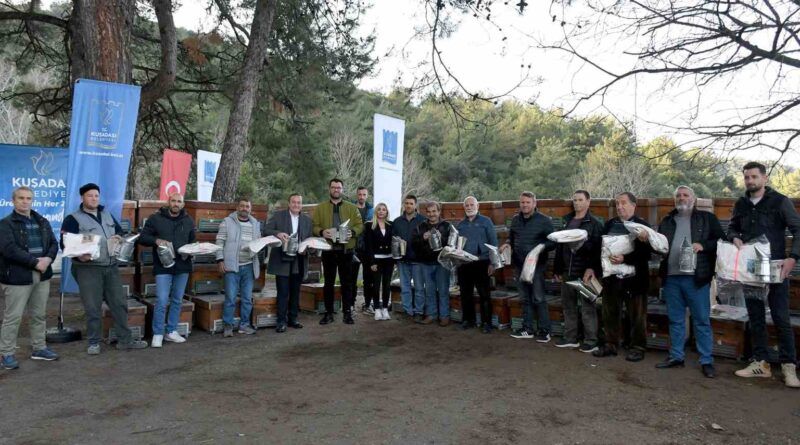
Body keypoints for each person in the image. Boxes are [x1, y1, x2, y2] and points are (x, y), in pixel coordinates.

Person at [729, 162, 800, 388]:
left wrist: (793, 258)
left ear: (764, 178)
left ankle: (789, 367)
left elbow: (798, 230)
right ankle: (761, 363)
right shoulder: (741, 203)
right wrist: (734, 237)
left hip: (776, 268)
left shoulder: (780, 201)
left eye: (754, 177)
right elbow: (732, 227)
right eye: (747, 177)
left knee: (780, 317)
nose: (750, 181)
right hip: (750, 268)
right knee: (756, 316)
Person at [61, 183, 148, 354]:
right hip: (88, 269)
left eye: (96, 195)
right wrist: (78, 256)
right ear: (82, 198)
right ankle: (94, 342)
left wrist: (119, 238)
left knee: (119, 304)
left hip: (111, 267)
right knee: (93, 307)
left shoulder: (107, 214)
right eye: (89, 195)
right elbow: (64, 243)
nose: (93, 198)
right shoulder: (73, 219)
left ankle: (125, 340)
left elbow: (120, 233)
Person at [655, 186, 723, 378]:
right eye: (678, 196)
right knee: (675, 319)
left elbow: (721, 241)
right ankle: (676, 356)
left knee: (701, 320)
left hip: (697, 278)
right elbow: (660, 247)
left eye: (685, 195)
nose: (682, 198)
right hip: (671, 278)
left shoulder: (707, 219)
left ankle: (706, 360)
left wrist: (703, 245)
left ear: (693, 199)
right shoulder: (667, 220)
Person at [0, 186, 60, 369]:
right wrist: (35, 262)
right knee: (13, 317)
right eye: (21, 198)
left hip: (41, 276)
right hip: (17, 277)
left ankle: (39, 348)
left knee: (39, 315)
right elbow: (9, 250)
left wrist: (48, 259)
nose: (25, 201)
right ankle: (6, 353)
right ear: (13, 201)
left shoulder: (42, 221)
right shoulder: (5, 224)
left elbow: (53, 243)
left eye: (28, 198)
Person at [593, 191, 652, 362]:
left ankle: (637, 347)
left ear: (634, 205)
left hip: (635, 280)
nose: (619, 206)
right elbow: (600, 248)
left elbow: (647, 254)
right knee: (609, 312)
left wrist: (625, 258)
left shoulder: (642, 226)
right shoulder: (610, 224)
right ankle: (610, 345)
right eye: (617, 203)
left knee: (637, 315)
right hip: (611, 278)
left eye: (623, 203)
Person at [138, 192, 195, 347]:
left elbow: (192, 241)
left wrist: (191, 250)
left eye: (179, 201)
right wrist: (156, 240)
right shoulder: (155, 218)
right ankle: (158, 333)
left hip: (183, 266)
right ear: (168, 202)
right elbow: (142, 237)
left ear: (182, 204)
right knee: (162, 300)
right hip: (163, 266)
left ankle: (171, 331)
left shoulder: (189, 221)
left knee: (177, 300)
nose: (176, 204)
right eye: (173, 200)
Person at [552, 190, 603, 352]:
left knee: (588, 307)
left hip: (585, 273)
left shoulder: (595, 224)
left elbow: (598, 250)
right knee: (568, 306)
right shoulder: (567, 221)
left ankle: (591, 341)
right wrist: (558, 268)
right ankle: (570, 338)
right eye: (574, 200)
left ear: (588, 202)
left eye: (580, 200)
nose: (577, 203)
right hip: (567, 271)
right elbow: (560, 247)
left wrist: (591, 268)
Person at [502, 192, 555, 342]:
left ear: (534, 203)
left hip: (536, 266)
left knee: (538, 297)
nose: (524, 205)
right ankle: (527, 329)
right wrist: (507, 243)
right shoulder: (515, 220)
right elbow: (512, 238)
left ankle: (545, 331)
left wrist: (541, 247)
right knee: (524, 298)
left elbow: (553, 242)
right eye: (522, 202)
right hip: (519, 265)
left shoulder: (544, 221)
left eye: (527, 202)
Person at [312, 178, 364, 325]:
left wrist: (352, 232)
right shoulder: (320, 208)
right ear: (329, 189)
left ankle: (347, 313)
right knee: (328, 283)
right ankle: (328, 313)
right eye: (333, 187)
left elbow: (360, 226)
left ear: (342, 190)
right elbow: (314, 226)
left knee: (347, 283)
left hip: (346, 251)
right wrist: (322, 232)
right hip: (328, 250)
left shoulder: (352, 208)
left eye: (339, 188)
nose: (336, 190)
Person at [263, 193, 312, 333]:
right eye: (294, 202)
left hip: (299, 260)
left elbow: (309, 239)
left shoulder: (307, 220)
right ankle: (281, 321)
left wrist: (307, 247)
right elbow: (266, 230)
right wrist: (278, 233)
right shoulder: (278, 216)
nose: (296, 205)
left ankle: (293, 319)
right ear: (289, 203)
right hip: (281, 259)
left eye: (299, 202)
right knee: (283, 292)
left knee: (296, 292)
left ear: (301, 204)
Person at [215, 197, 262, 337]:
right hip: (231, 266)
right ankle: (228, 326)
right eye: (242, 206)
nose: (244, 209)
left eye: (247, 206)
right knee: (230, 298)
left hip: (249, 266)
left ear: (250, 209)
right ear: (237, 207)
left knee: (247, 298)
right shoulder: (227, 222)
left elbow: (258, 242)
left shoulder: (255, 224)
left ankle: (244, 325)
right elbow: (219, 242)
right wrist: (220, 260)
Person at [456, 196, 498, 333]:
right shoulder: (460, 225)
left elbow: (493, 243)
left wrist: (493, 263)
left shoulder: (486, 222)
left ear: (477, 206)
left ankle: (487, 323)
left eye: (471, 205)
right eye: (466, 205)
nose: (469, 207)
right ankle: (468, 320)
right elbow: (457, 245)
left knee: (484, 294)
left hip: (482, 263)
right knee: (465, 294)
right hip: (464, 263)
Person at [412, 201, 453, 326]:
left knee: (443, 291)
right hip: (426, 263)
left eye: (434, 211)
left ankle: (444, 316)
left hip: (442, 263)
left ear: (439, 211)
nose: (431, 214)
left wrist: (443, 238)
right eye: (429, 212)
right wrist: (422, 238)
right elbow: (414, 244)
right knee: (429, 291)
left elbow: (453, 244)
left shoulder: (447, 226)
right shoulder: (420, 227)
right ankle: (431, 315)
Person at [392, 194, 426, 321]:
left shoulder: (423, 220)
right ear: (403, 205)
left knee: (419, 288)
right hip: (402, 260)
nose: (408, 206)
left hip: (418, 260)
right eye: (406, 203)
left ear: (415, 205)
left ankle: (419, 311)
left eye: (411, 203)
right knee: (405, 288)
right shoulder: (397, 221)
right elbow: (393, 240)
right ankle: (408, 311)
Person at [364, 203, 394, 321]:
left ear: (387, 212)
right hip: (376, 259)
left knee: (387, 285)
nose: (381, 211)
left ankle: (385, 309)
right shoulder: (370, 225)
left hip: (389, 259)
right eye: (379, 210)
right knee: (376, 285)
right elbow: (369, 246)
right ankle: (377, 309)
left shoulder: (391, 225)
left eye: (384, 210)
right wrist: (372, 262)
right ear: (376, 212)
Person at [352, 186, 375, 314]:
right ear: (357, 195)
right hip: (354, 248)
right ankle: (351, 305)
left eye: (364, 194)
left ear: (367, 195)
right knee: (352, 278)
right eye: (359, 194)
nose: (361, 197)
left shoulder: (372, 210)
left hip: (367, 248)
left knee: (368, 278)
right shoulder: (351, 208)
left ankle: (367, 304)